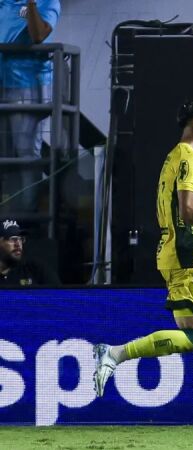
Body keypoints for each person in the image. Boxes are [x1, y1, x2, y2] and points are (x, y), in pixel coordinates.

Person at [92, 99, 193, 426]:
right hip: (184, 259)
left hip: (192, 255)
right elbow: (188, 212)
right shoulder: (189, 159)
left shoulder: (179, 157)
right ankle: (114, 353)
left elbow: (187, 223)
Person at [0, 0, 61, 212]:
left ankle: (28, 221)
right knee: (4, 155)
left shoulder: (47, 2)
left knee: (25, 153)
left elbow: (38, 35)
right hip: (2, 81)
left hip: (26, 84)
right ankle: (6, 222)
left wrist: (31, 4)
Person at [0, 217, 58, 285]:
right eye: (13, 239)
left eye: (20, 239)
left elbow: (61, 294)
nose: (18, 244)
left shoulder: (35, 270)